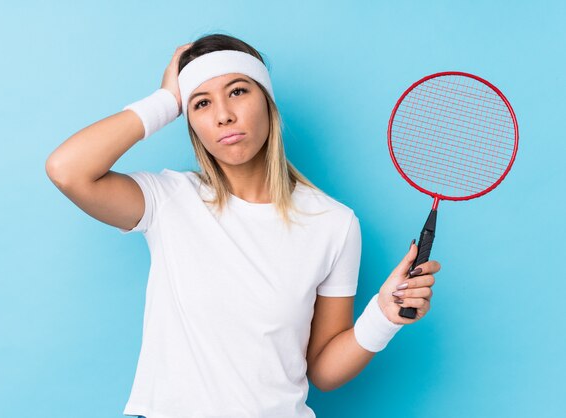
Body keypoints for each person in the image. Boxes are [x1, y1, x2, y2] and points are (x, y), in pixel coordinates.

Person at [45, 33, 440, 418]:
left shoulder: (333, 224)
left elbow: (322, 369)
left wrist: (383, 316)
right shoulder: (169, 200)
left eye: (237, 91)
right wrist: (165, 101)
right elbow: (67, 171)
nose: (223, 115)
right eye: (201, 103)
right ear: (190, 121)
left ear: (267, 102)